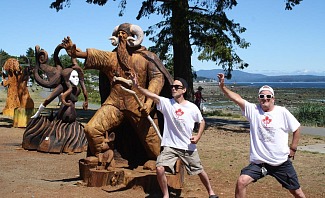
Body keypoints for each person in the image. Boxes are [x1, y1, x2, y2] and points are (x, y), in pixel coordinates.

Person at [61, 23, 173, 166]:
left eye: (124, 33)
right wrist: (75, 53)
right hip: (114, 103)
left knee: (151, 139)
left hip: (138, 105)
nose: (120, 36)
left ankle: (156, 160)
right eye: (118, 33)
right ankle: (101, 153)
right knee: (91, 129)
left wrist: (149, 103)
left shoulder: (147, 57)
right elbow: (93, 55)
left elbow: (157, 79)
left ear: (133, 37)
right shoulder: (112, 57)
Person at [217, 73, 306, 198]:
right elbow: (237, 98)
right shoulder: (253, 110)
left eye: (268, 96)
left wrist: (293, 148)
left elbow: (296, 128)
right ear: (259, 98)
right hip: (260, 163)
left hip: (280, 162)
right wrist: (223, 87)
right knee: (241, 181)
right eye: (262, 96)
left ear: (273, 98)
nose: (265, 98)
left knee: (297, 192)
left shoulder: (282, 112)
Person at [131, 74, 218, 198]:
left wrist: (198, 136)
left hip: (187, 146)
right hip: (170, 146)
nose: (173, 88)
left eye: (177, 87)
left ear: (184, 90)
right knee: (160, 168)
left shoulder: (192, 107)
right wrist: (137, 86)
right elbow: (151, 95)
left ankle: (211, 192)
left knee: (199, 170)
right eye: (172, 86)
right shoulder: (167, 103)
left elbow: (202, 121)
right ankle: (166, 195)